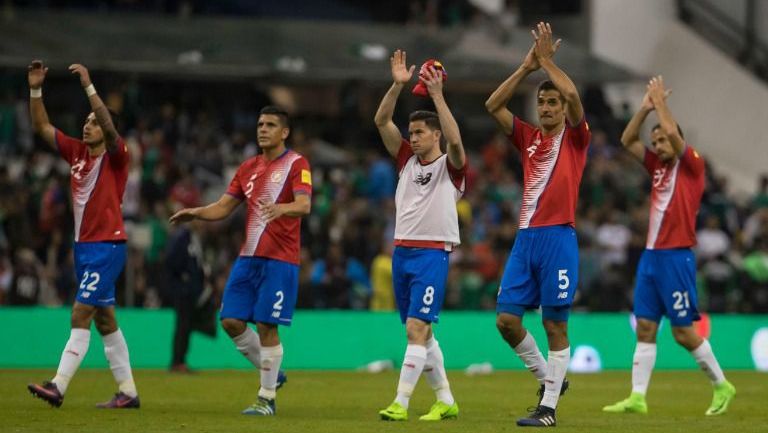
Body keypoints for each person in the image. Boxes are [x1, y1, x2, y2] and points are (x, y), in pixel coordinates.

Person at [603, 76, 736, 416]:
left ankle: (722, 385)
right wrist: (645, 108)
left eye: (663, 138)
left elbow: (674, 137)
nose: (658, 143)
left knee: (681, 332)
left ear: (676, 140)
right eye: (656, 140)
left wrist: (661, 105)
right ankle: (637, 397)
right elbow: (627, 138)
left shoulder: (692, 165)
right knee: (646, 327)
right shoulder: (657, 167)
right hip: (651, 259)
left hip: (676, 258)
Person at [169, 105, 310, 416]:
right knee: (231, 320)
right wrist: (196, 213)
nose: (263, 129)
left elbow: (303, 205)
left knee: (265, 326)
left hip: (280, 260)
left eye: (271, 125)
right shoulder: (248, 167)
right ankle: (272, 372)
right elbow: (223, 207)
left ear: (284, 132)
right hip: (248, 260)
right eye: (260, 124)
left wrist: (281, 209)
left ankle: (267, 398)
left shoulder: (297, 163)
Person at [485, 22, 590, 427]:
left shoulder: (577, 138)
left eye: (552, 103)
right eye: (542, 103)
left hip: (558, 238)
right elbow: (493, 106)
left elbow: (574, 94)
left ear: (563, 109)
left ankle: (547, 410)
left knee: (554, 323)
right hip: (526, 240)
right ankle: (550, 379)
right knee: (506, 321)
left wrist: (548, 61)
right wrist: (527, 67)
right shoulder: (528, 138)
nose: (546, 108)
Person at [26, 61, 139, 409]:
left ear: (107, 132)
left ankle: (58, 386)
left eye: (94, 123)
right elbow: (42, 126)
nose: (88, 125)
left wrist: (90, 88)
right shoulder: (76, 153)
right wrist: (35, 89)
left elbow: (107, 122)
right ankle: (128, 392)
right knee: (105, 321)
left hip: (108, 245)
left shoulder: (118, 157)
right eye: (86, 122)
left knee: (80, 313)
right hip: (84, 248)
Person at [374, 50, 467, 422]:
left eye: (418, 132)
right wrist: (397, 86)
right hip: (402, 254)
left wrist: (439, 97)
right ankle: (445, 399)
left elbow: (458, 144)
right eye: (409, 132)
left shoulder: (451, 167)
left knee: (416, 327)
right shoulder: (404, 160)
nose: (411, 138)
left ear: (435, 135)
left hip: (432, 254)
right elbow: (381, 120)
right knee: (423, 334)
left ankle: (401, 402)